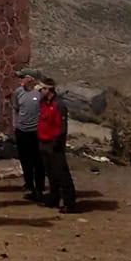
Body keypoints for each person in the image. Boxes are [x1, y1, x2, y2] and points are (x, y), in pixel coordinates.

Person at [38, 77, 77, 213]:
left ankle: (69, 203)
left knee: (62, 174)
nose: (39, 91)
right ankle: (53, 198)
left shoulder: (59, 105)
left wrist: (56, 143)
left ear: (48, 89)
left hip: (54, 144)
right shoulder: (43, 103)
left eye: (42, 89)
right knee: (50, 173)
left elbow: (62, 127)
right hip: (43, 141)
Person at [12, 68, 45, 201]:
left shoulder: (40, 93)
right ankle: (29, 186)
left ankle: (40, 187)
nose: (20, 80)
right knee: (25, 160)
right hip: (22, 131)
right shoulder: (18, 92)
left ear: (30, 78)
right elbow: (15, 108)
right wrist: (15, 125)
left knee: (38, 161)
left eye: (22, 77)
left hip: (36, 132)